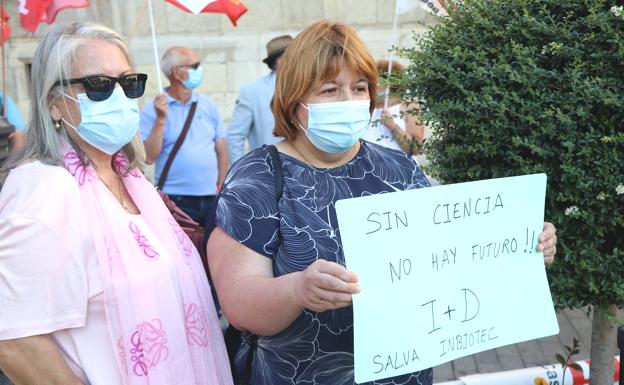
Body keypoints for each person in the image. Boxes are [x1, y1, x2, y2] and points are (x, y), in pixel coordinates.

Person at [207, 21, 558, 385]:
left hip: (403, 373)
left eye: (359, 88)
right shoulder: (258, 178)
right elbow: (239, 304)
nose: (349, 101)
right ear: (294, 101)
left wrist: (520, 248)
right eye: (330, 90)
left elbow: (447, 259)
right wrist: (297, 290)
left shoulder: (398, 169)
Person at [0, 22, 233, 385]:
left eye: (129, 82)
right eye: (97, 85)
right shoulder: (43, 188)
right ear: (55, 103)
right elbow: (13, 338)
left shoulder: (132, 179)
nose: (119, 96)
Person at [141, 46, 228, 225]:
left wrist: (222, 186)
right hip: (175, 197)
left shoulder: (209, 106)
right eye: (194, 66)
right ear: (177, 73)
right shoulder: (153, 109)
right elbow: (148, 157)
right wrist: (160, 119)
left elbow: (221, 150)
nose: (199, 70)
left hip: (212, 195)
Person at [226, 35, 293, 164]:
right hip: (270, 173)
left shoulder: (310, 85)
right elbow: (234, 137)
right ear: (279, 60)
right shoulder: (252, 91)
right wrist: (243, 174)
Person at [363, 60, 424, 155]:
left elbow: (416, 149)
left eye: (376, 81)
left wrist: (393, 126)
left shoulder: (409, 107)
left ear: (391, 84)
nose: (372, 85)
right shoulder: (366, 107)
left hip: (399, 167)